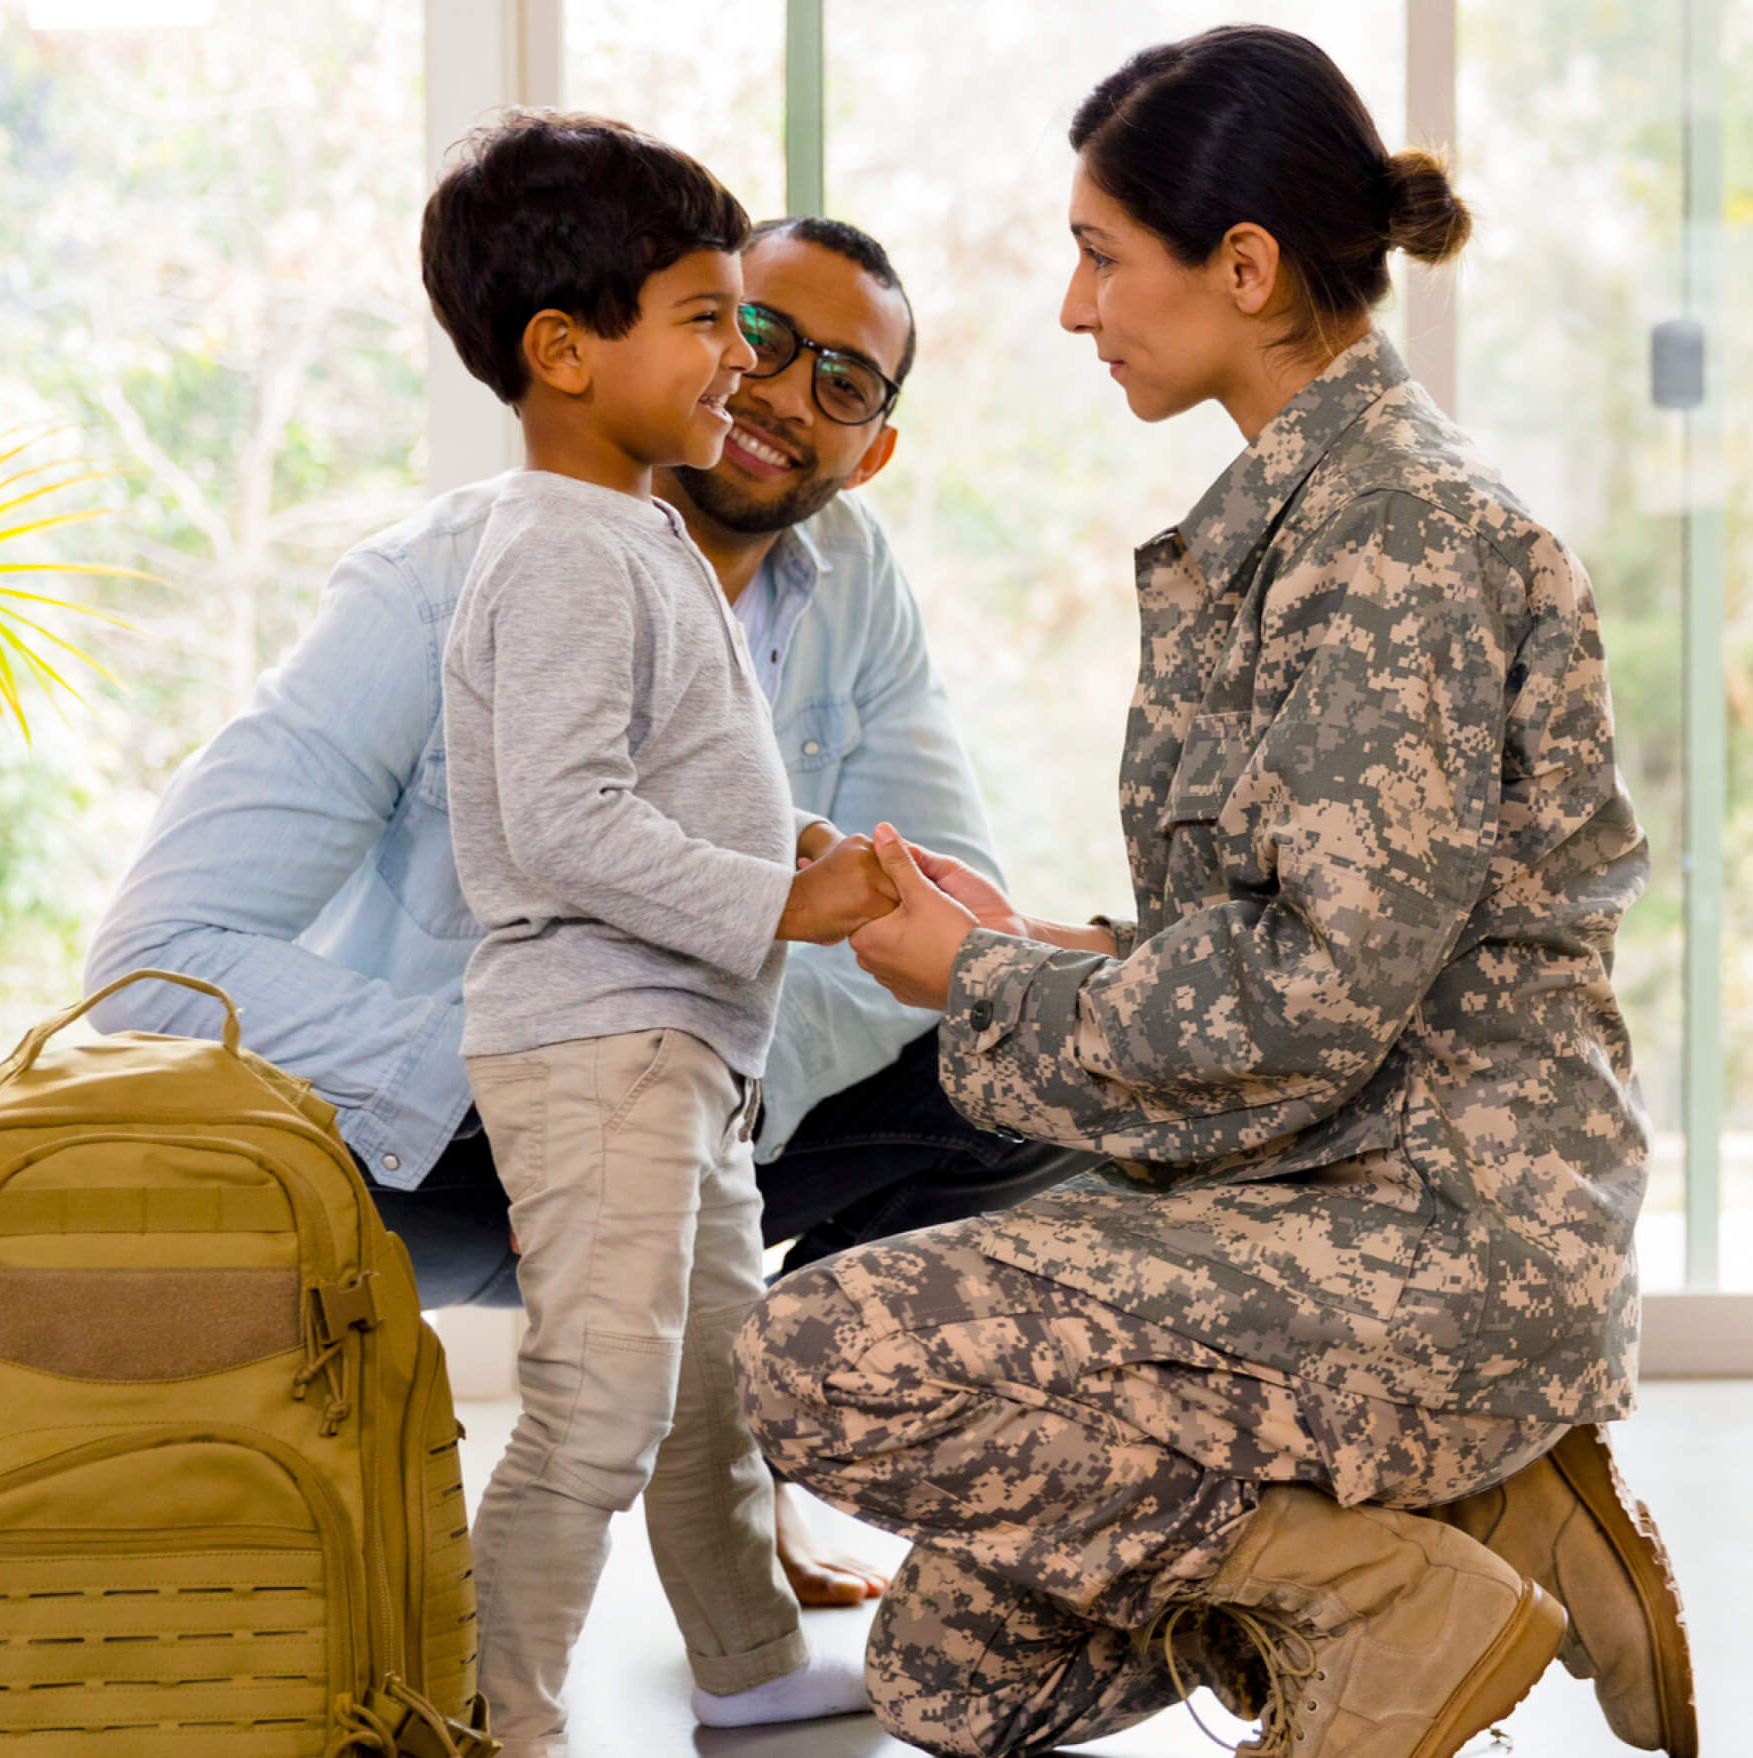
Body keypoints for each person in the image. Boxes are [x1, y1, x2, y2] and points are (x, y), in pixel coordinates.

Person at [735, 27, 1696, 1758]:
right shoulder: (1296, 519)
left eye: (1102, 257)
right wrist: (1030, 944)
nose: (1072, 308)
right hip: (1303, 1193)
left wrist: (979, 979)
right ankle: (1481, 1529)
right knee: (954, 1682)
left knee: (813, 1359)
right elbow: (1294, 936)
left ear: (1242, 269)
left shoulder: (1396, 538)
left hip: (1433, 1229)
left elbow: (1312, 992)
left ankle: (1385, 1591)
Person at [83, 219, 1087, 1604]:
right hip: (427, 1147)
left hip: (701, 1142)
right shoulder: (434, 579)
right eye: (757, 335)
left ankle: (782, 1425)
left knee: (1041, 1057)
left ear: (875, 446)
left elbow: (933, 933)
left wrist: (676, 1113)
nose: (786, 393)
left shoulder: (852, 585)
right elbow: (149, 964)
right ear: (679, 336)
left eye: (843, 383)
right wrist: (545, 1092)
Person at [419, 113, 898, 1752]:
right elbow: (560, 820)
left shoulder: (627, 531)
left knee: (715, 1396)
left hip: (678, 1045)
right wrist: (780, 899)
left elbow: (660, 779)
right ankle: (495, 1716)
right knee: (600, 1413)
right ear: (563, 352)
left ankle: (748, 1661)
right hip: (601, 1046)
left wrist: (801, 844)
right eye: (706, 322)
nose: (739, 362)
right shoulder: (561, 547)